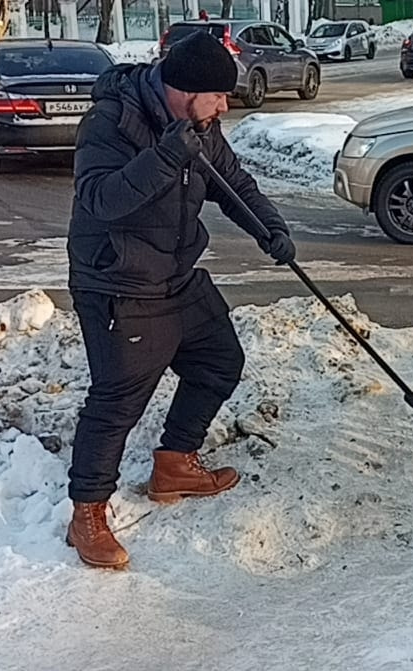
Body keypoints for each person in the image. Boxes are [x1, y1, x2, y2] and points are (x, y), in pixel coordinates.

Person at [64, 31, 296, 569]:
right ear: (185, 90)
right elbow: (100, 200)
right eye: (217, 95)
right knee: (117, 400)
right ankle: (87, 514)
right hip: (118, 282)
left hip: (174, 273)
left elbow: (233, 181)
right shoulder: (111, 121)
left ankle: (174, 463)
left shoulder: (203, 126)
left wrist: (270, 229)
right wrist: (167, 155)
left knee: (219, 360)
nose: (225, 106)